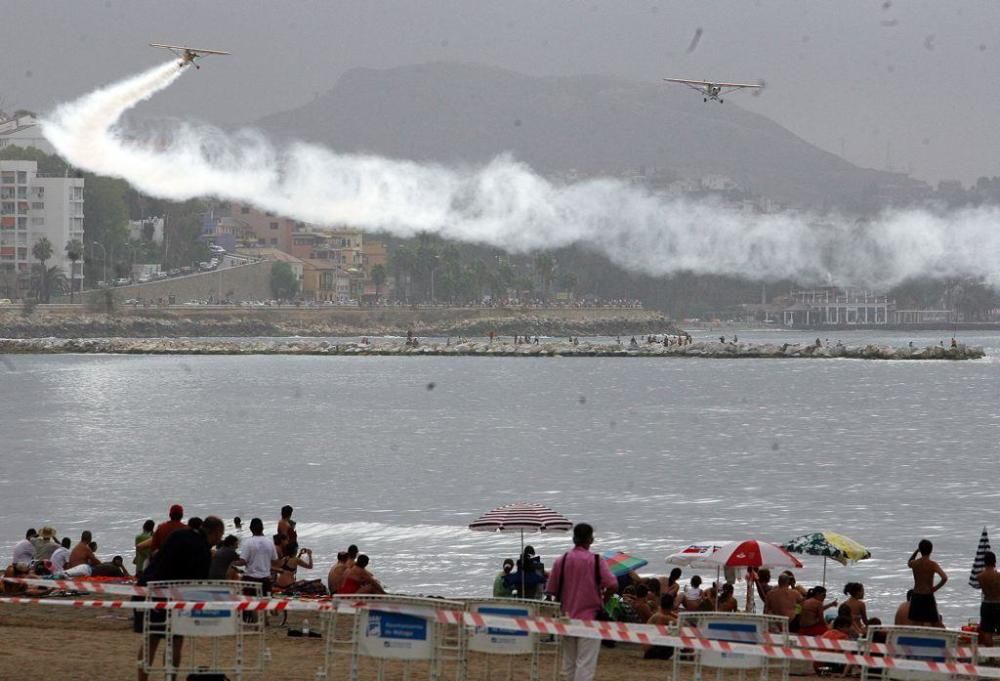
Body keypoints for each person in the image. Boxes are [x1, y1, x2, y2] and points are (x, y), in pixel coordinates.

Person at [136, 516, 225, 681]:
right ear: (216, 532)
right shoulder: (203, 550)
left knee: (151, 638)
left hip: (153, 589)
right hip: (176, 597)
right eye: (220, 536)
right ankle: (170, 678)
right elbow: (198, 583)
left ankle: (142, 679)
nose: (219, 540)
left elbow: (158, 557)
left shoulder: (178, 535)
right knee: (175, 641)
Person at [544, 523, 618, 681]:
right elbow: (612, 585)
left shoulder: (561, 561)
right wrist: (603, 600)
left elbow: (551, 590)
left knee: (569, 664)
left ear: (573, 539)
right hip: (590, 619)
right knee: (585, 664)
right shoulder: (597, 561)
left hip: (566, 618)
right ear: (591, 539)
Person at [908, 539, 947, 627]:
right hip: (928, 595)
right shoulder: (932, 564)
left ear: (920, 550)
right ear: (931, 550)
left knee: (915, 623)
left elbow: (909, 563)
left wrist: (916, 552)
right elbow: (944, 578)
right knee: (929, 623)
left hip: (916, 595)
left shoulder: (915, 563)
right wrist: (935, 588)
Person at [242, 517, 279, 596]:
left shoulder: (248, 542)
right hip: (265, 580)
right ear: (262, 528)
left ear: (250, 528)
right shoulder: (269, 542)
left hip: (250, 580)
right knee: (265, 604)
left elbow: (243, 561)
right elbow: (275, 560)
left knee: (249, 605)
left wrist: (232, 562)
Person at [644, 593, 678, 659]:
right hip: (651, 649)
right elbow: (681, 623)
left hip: (649, 647)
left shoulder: (660, 612)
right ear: (672, 606)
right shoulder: (662, 617)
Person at [978, 551, 1000, 645]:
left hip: (986, 604)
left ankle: (990, 657)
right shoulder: (998, 576)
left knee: (987, 631)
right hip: (998, 603)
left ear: (984, 562)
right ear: (994, 561)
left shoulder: (980, 576)